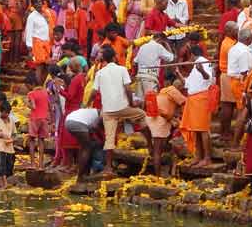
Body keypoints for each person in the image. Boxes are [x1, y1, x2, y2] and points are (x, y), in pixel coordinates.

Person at [93, 45, 146, 177]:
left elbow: (94, 92)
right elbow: (128, 89)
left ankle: (108, 167)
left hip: (108, 110)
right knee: (142, 115)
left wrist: (86, 104)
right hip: (122, 107)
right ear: (114, 58)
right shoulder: (122, 69)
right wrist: (132, 103)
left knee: (109, 138)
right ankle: (150, 144)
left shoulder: (99, 73)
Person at [145, 71, 187, 177]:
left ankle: (165, 147)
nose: (182, 90)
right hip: (158, 120)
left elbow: (169, 109)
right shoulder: (173, 90)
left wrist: (175, 119)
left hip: (153, 119)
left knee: (158, 149)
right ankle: (158, 177)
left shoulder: (163, 90)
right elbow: (186, 103)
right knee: (157, 152)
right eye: (181, 87)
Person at [181, 44, 215, 167]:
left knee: (203, 129)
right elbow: (187, 83)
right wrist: (178, 74)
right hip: (194, 100)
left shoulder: (203, 62)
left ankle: (207, 157)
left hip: (201, 99)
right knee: (196, 130)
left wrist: (202, 71)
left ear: (192, 54)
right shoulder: (196, 65)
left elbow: (208, 78)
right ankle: (198, 156)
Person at [64, 107, 103, 181]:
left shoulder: (91, 111)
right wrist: (101, 138)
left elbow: (92, 128)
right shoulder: (102, 114)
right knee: (86, 149)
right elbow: (95, 126)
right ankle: (80, 176)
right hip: (78, 123)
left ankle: (84, 172)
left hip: (68, 121)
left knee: (83, 148)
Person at [0, 101, 17, 189]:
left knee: (10, 164)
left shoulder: (11, 121)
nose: (6, 114)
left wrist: (12, 139)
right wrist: (1, 135)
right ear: (1, 112)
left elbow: (14, 133)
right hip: (0, 145)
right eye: (5, 112)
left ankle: (4, 181)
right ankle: (4, 183)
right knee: (2, 164)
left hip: (10, 146)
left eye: (7, 113)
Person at [26, 81, 51, 170]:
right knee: (41, 141)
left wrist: (28, 104)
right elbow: (50, 106)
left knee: (32, 141)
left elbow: (33, 106)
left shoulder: (31, 93)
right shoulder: (45, 93)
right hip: (44, 119)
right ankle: (41, 165)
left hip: (35, 118)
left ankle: (33, 164)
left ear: (32, 85)